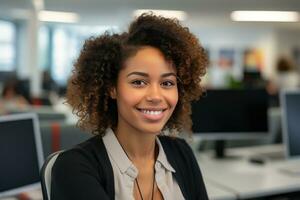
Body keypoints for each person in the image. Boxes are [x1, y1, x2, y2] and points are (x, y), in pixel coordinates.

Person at [51, 13, 208, 200]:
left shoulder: (181, 152)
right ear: (112, 89)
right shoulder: (73, 167)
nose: (156, 96)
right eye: (139, 82)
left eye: (167, 83)